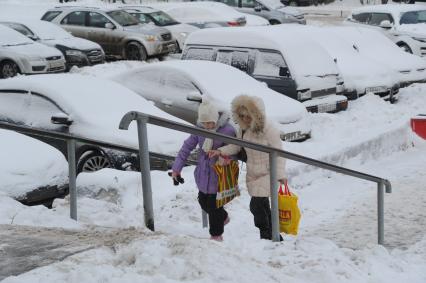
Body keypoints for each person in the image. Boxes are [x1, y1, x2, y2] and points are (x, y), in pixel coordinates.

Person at [209, 94, 286, 240]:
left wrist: (280, 174)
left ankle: (266, 235)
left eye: (248, 115)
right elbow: (236, 146)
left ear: (256, 114)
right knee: (262, 206)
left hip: (268, 172)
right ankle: (275, 236)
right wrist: (220, 151)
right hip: (252, 173)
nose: (245, 119)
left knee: (256, 206)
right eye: (242, 116)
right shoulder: (243, 130)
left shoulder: (269, 129)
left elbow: (279, 153)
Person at [171, 100, 236, 242]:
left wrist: (223, 156)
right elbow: (186, 148)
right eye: (204, 123)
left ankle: (216, 236)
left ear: (216, 119)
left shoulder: (228, 130)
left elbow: (235, 150)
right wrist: (176, 169)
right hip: (202, 174)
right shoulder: (199, 129)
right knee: (203, 202)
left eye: (210, 123)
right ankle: (223, 217)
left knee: (214, 206)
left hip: (218, 174)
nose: (207, 126)